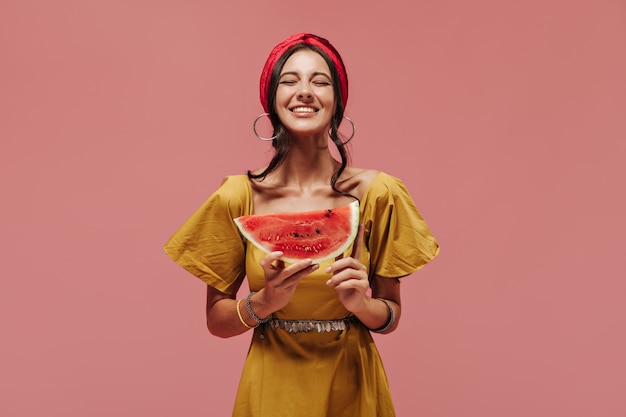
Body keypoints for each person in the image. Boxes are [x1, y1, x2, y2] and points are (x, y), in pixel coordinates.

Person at [164, 33, 439, 417]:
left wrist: (360, 304)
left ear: (337, 101)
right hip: (271, 386)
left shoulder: (378, 193)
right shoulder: (237, 196)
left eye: (320, 81)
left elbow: (390, 314)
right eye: (289, 81)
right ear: (272, 100)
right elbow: (217, 321)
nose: (305, 92)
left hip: (352, 383)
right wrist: (265, 302)